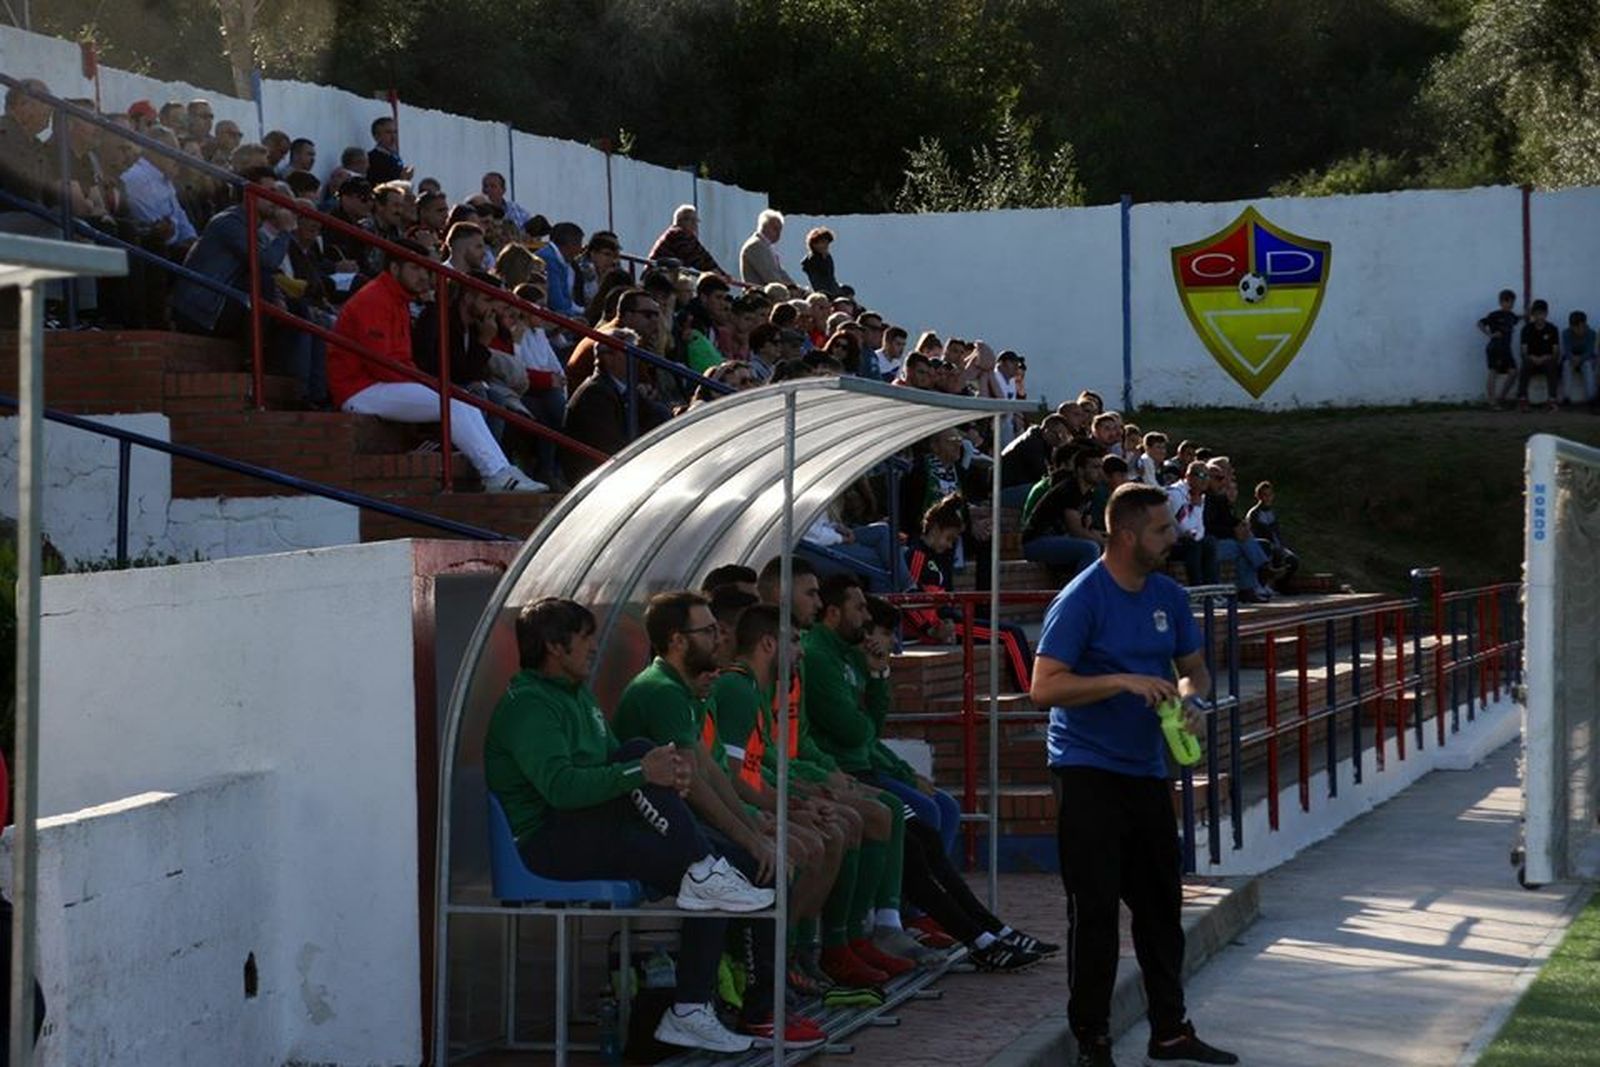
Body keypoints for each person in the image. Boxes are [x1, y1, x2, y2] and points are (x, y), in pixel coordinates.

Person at [484, 597, 772, 1054]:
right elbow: (561, 789)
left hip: (590, 825)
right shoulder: (529, 707)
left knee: (730, 866)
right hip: (547, 843)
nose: (596, 648)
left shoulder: (576, 696)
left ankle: (693, 1010)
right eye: (585, 640)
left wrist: (662, 775)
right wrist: (643, 772)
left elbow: (618, 765)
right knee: (643, 760)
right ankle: (701, 875)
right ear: (555, 647)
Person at [1031, 484, 1239, 1067]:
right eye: (1162, 529)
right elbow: (1044, 686)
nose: (1175, 537)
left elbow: (1194, 670)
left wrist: (1194, 703)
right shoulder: (1082, 599)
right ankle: (1092, 1042)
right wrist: (1121, 680)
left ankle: (1170, 1031)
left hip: (1147, 769)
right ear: (1126, 536)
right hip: (1086, 769)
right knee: (1095, 911)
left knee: (1160, 907)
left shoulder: (1169, 595)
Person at [805, 573, 1056, 971]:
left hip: (857, 768)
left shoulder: (843, 656)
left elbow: (870, 726)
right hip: (846, 774)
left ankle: (981, 930)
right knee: (912, 828)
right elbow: (856, 731)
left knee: (931, 821)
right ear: (833, 613)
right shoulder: (818, 657)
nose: (865, 615)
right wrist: (870, 700)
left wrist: (878, 677)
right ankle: (913, 925)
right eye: (859, 608)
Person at [327, 240, 546, 492]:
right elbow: (382, 365)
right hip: (359, 389)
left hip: (382, 383)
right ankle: (495, 473)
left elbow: (398, 362)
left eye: (424, 270)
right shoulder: (373, 299)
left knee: (462, 400)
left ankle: (502, 471)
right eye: (414, 269)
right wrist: (428, 383)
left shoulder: (397, 299)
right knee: (451, 403)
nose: (423, 276)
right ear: (395, 269)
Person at [902, 495, 1036, 691]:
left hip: (948, 619)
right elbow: (909, 597)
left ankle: (1031, 685)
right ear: (935, 529)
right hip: (938, 626)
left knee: (1012, 631)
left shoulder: (939, 556)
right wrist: (929, 628)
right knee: (1010, 635)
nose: (949, 545)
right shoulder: (916, 555)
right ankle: (1029, 689)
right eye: (948, 538)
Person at [1021, 446, 1105, 582]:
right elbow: (1076, 530)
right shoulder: (1070, 489)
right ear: (1080, 470)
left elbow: (1087, 529)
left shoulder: (1088, 493)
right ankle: (1079, 596)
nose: (1100, 472)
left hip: (1061, 540)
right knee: (1090, 548)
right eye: (1095, 467)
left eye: (1101, 467)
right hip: (1037, 542)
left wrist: (1108, 539)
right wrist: (1107, 543)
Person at [1201, 461, 1273, 602]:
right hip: (1207, 543)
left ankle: (1249, 588)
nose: (1222, 482)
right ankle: (1261, 570)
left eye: (1223, 478)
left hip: (1221, 540)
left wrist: (1241, 526)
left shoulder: (1220, 499)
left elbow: (1229, 519)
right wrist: (1234, 532)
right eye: (1218, 479)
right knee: (1243, 547)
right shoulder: (1203, 499)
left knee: (1244, 542)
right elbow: (1207, 527)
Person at [1165, 461, 1217, 588]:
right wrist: (1197, 508)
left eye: (1207, 476)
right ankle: (1197, 589)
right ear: (1188, 477)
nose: (1205, 480)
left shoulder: (1199, 496)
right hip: (1169, 543)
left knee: (1209, 541)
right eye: (1201, 475)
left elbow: (1200, 532)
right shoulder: (1175, 494)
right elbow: (1185, 529)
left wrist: (1197, 507)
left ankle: (1211, 589)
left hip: (1188, 540)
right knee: (1193, 544)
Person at [1246, 480, 1299, 592]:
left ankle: (1283, 585)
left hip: (1277, 545)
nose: (1268, 498)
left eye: (1270, 495)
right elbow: (1255, 533)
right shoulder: (1254, 513)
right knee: (1274, 557)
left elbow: (1277, 532)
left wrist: (1282, 545)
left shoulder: (1272, 513)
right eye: (1265, 495)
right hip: (1265, 546)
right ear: (1258, 496)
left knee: (1293, 560)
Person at [650, 204, 724, 274]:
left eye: (696, 221)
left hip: (668, 275)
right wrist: (714, 272)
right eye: (691, 220)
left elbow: (703, 255)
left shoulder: (688, 237)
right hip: (657, 277)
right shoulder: (677, 233)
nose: (694, 224)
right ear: (680, 221)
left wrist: (722, 274)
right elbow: (692, 257)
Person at [1517, 298, 1561, 412]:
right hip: (1531, 360)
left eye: (1542, 314)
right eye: (1536, 314)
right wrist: (1531, 357)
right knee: (1525, 364)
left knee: (1553, 364)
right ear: (1533, 315)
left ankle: (1552, 400)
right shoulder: (1527, 329)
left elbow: (1555, 351)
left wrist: (1546, 357)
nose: (1539, 317)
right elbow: (1523, 351)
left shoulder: (1552, 329)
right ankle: (1522, 400)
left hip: (1547, 360)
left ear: (1546, 314)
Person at [1479, 288, 1520, 409]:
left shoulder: (1512, 316)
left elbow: (1518, 318)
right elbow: (1480, 323)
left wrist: (1528, 314)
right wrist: (1489, 334)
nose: (1510, 304)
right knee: (1493, 372)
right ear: (1501, 302)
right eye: (1508, 302)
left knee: (1513, 372)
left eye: (1512, 302)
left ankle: (1501, 398)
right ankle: (1492, 401)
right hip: (1495, 347)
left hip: (1506, 349)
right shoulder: (1494, 315)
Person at [740, 209, 795, 286]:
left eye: (780, 230)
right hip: (758, 295)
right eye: (775, 229)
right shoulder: (756, 245)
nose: (779, 234)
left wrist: (796, 288)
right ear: (764, 226)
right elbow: (770, 277)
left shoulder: (765, 246)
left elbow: (780, 272)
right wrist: (791, 289)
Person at [1563, 309, 1598, 411]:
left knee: (1587, 366)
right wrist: (1573, 358)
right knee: (1566, 365)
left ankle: (1592, 399)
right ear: (1571, 326)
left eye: (1580, 326)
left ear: (1584, 324)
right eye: (1575, 327)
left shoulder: (1591, 333)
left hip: (1586, 358)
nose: (1578, 329)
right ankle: (1567, 398)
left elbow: (1590, 350)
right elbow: (1567, 349)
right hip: (1571, 358)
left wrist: (1580, 359)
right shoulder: (1566, 333)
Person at [366, 115, 412, 184]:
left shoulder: (394, 157)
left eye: (395, 132)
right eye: (388, 132)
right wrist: (402, 178)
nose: (393, 136)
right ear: (377, 136)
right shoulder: (372, 158)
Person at [801, 226, 842, 296]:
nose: (826, 245)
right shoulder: (811, 260)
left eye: (827, 243)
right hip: (824, 293)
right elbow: (818, 282)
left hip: (834, 290)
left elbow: (831, 278)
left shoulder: (827, 257)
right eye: (822, 242)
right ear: (814, 244)